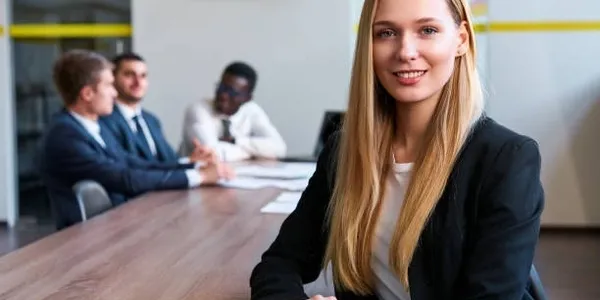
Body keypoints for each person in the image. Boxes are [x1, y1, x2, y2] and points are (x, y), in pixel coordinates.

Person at [250, 0, 544, 299]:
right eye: (386, 33)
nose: (405, 52)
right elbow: (278, 265)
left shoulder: (506, 159)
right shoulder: (345, 152)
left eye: (427, 30)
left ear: (461, 40)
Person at [41, 50, 233, 230]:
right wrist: (200, 177)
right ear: (87, 93)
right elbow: (126, 178)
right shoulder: (65, 136)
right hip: (85, 239)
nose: (114, 93)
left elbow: (133, 164)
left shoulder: (91, 127)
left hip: (112, 225)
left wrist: (191, 166)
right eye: (108, 85)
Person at [100, 52, 212, 165]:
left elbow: (171, 161)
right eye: (129, 75)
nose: (138, 82)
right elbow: (128, 166)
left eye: (143, 76)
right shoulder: (104, 120)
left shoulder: (151, 120)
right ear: (112, 79)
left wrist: (193, 160)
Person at [179, 61, 287, 162]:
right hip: (195, 178)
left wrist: (236, 141)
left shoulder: (252, 110)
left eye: (232, 92)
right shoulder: (198, 109)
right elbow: (212, 154)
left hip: (238, 175)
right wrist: (253, 152)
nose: (223, 95)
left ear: (247, 98)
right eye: (221, 87)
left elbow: (279, 148)